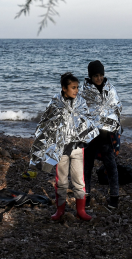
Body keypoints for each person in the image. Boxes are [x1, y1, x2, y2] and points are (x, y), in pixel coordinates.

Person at [28, 72, 98, 221]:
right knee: (61, 181)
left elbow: (88, 121)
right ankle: (60, 210)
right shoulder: (55, 102)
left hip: (78, 147)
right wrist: (40, 147)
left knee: (79, 181)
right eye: (73, 87)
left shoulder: (81, 102)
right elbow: (45, 123)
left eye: (77, 87)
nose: (76, 90)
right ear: (64, 88)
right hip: (60, 149)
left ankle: (81, 211)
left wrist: (87, 137)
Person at [80, 60, 122, 210]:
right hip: (90, 137)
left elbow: (117, 108)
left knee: (111, 167)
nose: (98, 78)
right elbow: (80, 113)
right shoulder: (84, 92)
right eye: (95, 75)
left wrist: (113, 126)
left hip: (106, 136)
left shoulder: (111, 90)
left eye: (101, 75)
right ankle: (86, 198)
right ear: (90, 76)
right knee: (87, 168)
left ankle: (114, 198)